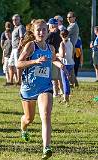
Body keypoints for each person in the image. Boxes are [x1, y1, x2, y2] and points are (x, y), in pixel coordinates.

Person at [17, 19, 65, 159]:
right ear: (33, 31)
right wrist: (35, 61)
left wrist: (60, 64)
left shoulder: (51, 48)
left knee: (46, 114)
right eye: (38, 29)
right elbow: (18, 63)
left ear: (47, 30)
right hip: (29, 88)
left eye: (44, 29)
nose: (41, 32)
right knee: (29, 118)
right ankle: (23, 127)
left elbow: (53, 58)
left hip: (45, 87)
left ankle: (46, 148)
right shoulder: (31, 46)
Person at [46, 18, 63, 97]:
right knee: (60, 76)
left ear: (51, 25)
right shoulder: (60, 32)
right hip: (61, 55)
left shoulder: (50, 34)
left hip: (53, 56)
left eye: (48, 25)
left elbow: (46, 45)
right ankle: (62, 91)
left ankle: (55, 93)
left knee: (54, 77)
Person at [57, 29, 75, 103]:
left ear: (61, 35)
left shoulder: (62, 43)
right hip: (71, 62)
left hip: (65, 64)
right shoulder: (70, 42)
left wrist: (56, 54)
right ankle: (67, 94)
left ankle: (66, 97)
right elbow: (72, 52)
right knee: (67, 80)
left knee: (64, 81)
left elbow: (62, 55)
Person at [9, 14, 26, 85]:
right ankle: (10, 81)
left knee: (18, 65)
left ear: (19, 20)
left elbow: (22, 38)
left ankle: (19, 81)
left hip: (17, 48)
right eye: (13, 20)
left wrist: (19, 47)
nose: (14, 21)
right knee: (10, 64)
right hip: (13, 48)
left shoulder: (20, 27)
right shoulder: (15, 28)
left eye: (16, 19)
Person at [67, 11, 79, 87]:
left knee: (70, 64)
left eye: (70, 17)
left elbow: (64, 33)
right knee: (70, 64)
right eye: (67, 17)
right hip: (70, 47)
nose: (68, 19)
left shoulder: (73, 25)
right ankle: (74, 82)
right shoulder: (71, 25)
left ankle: (72, 82)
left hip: (71, 47)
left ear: (74, 18)